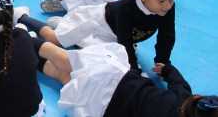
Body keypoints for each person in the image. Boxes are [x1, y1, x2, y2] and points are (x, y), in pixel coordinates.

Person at [22, 0, 175, 72]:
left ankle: (62, 23)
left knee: (100, 58)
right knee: (56, 40)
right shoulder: (126, 10)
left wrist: (163, 62)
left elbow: (167, 36)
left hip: (113, 36)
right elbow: (125, 42)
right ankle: (22, 17)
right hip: (95, 22)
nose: (168, 5)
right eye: (162, 1)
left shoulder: (167, 7)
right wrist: (134, 71)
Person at [34, 40, 211, 117]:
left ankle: (22, 36)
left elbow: (178, 81)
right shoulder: (184, 99)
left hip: (117, 80)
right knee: (63, 76)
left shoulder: (183, 98)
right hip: (101, 108)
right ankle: (23, 53)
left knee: (66, 60)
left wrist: (167, 70)